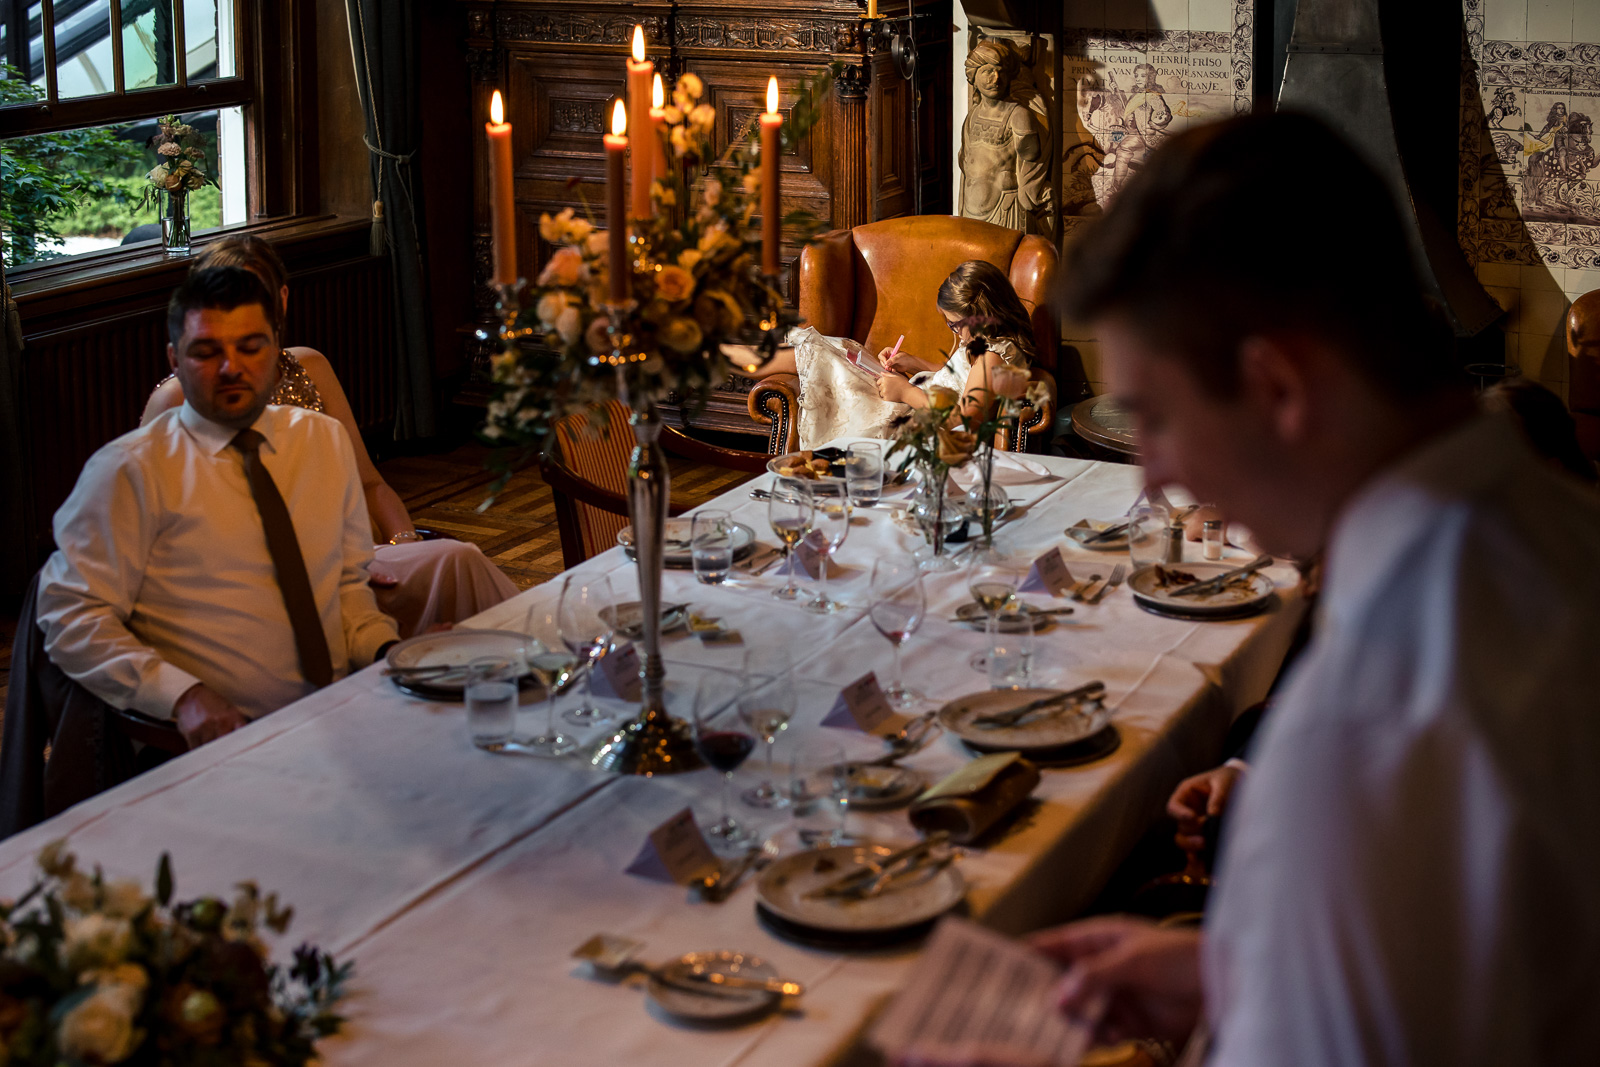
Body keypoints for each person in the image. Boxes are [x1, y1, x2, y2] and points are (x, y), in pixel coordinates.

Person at [904, 112, 1600, 1066]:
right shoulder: (1558, 534)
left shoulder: (1372, 719)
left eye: (1156, 416)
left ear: (1278, 387)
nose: (1151, 476)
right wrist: (1237, 972)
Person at [37, 267, 401, 749]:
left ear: (275, 351)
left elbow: (347, 586)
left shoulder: (320, 441)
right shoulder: (131, 471)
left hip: (340, 717)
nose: (232, 367)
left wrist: (391, 652)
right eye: (207, 352)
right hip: (216, 744)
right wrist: (182, 696)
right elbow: (70, 615)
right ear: (175, 359)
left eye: (250, 347)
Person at [141, 235, 518, 636]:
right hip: (261, 590)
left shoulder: (309, 372)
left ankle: (538, 660)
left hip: (356, 560)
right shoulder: (175, 402)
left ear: (281, 299)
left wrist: (405, 544)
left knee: (458, 560)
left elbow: (370, 485)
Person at [747, 260, 1038, 448]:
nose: (954, 332)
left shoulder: (993, 357)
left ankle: (730, 357)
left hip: (919, 420)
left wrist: (905, 392)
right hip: (919, 397)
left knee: (824, 355)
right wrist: (915, 363)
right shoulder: (990, 346)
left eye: (954, 324)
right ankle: (734, 354)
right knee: (844, 350)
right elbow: (964, 379)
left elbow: (965, 421)